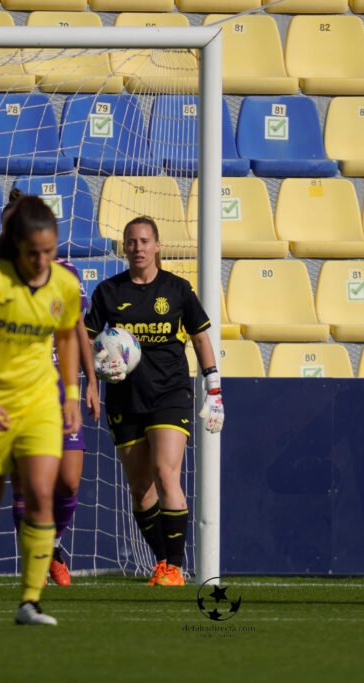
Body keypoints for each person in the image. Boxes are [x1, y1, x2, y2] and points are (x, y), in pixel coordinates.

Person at [0, 194, 82, 626]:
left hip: (41, 405)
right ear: (15, 247)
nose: (43, 260)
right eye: (34, 253)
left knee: (42, 495)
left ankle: (30, 601)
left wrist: (69, 394)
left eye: (49, 251)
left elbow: (67, 337)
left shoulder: (63, 284)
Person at [84, 216, 224, 587]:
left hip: (170, 394)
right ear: (124, 248)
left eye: (145, 241)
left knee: (166, 473)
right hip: (125, 398)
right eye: (131, 242)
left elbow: (200, 338)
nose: (138, 248)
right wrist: (93, 378)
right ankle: (161, 560)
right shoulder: (107, 293)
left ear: (158, 245)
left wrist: (214, 387)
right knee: (140, 488)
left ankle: (175, 568)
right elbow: (87, 340)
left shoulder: (177, 289)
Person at [10, 254, 100, 587]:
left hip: (63, 389)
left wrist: (91, 379)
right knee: (25, 482)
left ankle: (54, 545)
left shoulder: (66, 271)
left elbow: (77, 326)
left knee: (69, 481)